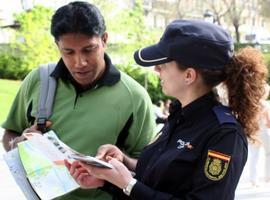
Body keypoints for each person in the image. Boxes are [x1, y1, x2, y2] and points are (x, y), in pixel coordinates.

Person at [66, 20, 268, 199]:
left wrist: (127, 183)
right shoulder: (179, 115)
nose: (156, 69)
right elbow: (160, 177)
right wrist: (111, 173)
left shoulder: (224, 133)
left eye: (163, 63)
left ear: (189, 75)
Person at [1, 1, 155, 200]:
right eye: (69, 52)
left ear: (104, 40)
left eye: (88, 49)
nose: (79, 62)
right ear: (57, 46)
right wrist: (17, 144)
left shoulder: (135, 97)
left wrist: (120, 160)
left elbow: (147, 168)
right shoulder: (37, 80)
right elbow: (10, 134)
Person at [248, 83, 270, 186]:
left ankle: (253, 179)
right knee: (268, 154)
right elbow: (268, 122)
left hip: (253, 131)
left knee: (254, 156)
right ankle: (268, 176)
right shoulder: (265, 104)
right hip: (263, 131)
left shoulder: (251, 103)